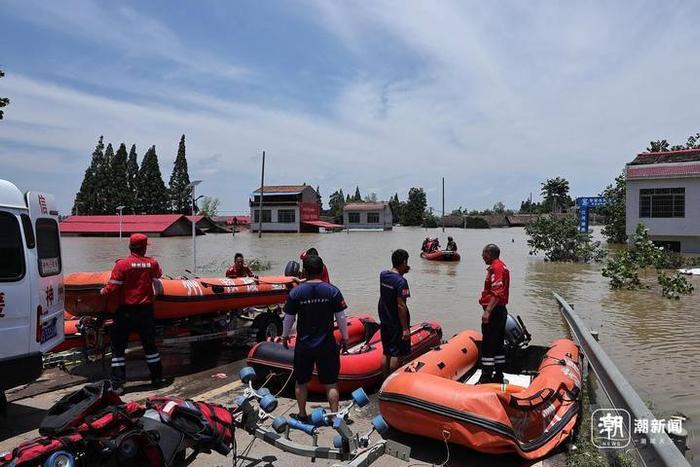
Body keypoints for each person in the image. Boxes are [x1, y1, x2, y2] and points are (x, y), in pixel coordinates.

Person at [100, 233, 170, 393]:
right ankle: (157, 379)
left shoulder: (122, 265)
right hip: (145, 312)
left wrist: (103, 291)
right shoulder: (152, 263)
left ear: (130, 247)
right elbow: (158, 275)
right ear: (144, 248)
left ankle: (118, 384)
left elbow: (113, 288)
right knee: (150, 346)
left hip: (125, 312)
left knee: (118, 348)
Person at [281, 255, 348, 421]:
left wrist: (284, 336)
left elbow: (289, 318)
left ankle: (302, 414)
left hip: (304, 345)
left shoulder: (296, 292)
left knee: (301, 381)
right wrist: (345, 338)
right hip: (326, 343)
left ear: (304, 271)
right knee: (331, 382)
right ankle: (334, 416)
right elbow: (341, 318)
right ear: (321, 270)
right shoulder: (333, 291)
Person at [478, 244, 510, 384]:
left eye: (483, 253)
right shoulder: (501, 267)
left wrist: (488, 311)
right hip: (499, 311)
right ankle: (499, 374)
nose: (482, 256)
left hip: (494, 311)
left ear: (490, 253)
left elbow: (497, 292)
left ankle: (486, 377)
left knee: (488, 344)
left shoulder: (496, 268)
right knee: (497, 344)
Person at [378, 249, 411, 378]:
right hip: (396, 322)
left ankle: (384, 381)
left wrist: (402, 272)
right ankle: (392, 383)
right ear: (404, 262)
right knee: (396, 354)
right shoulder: (401, 282)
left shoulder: (383, 275)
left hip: (384, 319)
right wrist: (405, 329)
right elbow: (401, 305)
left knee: (386, 352)